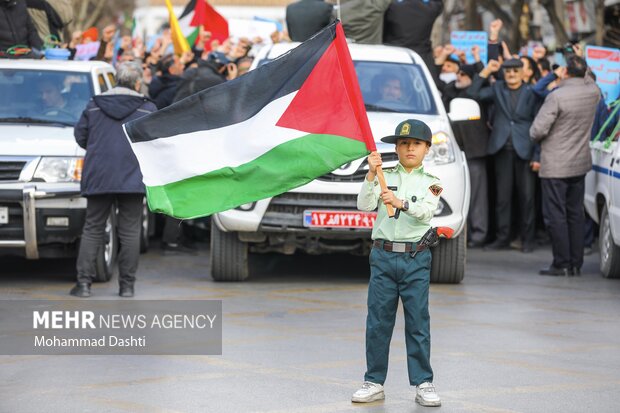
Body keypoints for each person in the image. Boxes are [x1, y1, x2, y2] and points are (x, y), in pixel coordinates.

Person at [353, 119, 442, 407]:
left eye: (416, 143)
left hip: (415, 257)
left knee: (418, 322)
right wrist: (370, 174)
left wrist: (401, 202)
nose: (409, 148)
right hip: (383, 255)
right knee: (378, 321)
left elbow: (426, 213)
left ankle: (423, 382)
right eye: (403, 144)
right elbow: (364, 205)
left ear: (427, 148)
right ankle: (374, 380)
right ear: (396, 148)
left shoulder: (432, 183)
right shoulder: (383, 174)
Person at [69, 62, 157, 298]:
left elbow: (81, 137)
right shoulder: (147, 109)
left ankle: (84, 285)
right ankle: (127, 287)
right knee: (130, 231)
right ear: (138, 83)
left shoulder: (94, 105)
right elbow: (154, 143)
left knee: (93, 228)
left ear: (116, 80)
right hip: (133, 177)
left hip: (99, 175)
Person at [530, 55, 600, 276]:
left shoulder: (557, 96)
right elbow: (588, 79)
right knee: (575, 214)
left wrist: (560, 76)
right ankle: (575, 263)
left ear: (566, 72)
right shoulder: (593, 92)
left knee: (556, 215)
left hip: (556, 164)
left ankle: (561, 262)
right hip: (579, 163)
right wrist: (579, 65)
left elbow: (536, 131)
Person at [468, 58, 542, 253]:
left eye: (515, 71)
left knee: (527, 198)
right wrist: (485, 72)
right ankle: (502, 238)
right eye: (508, 71)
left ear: (523, 73)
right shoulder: (498, 88)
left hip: (525, 150)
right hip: (501, 149)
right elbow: (472, 94)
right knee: (502, 198)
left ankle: (528, 240)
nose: (511, 74)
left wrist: (537, 154)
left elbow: (539, 124)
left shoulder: (532, 92)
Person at [383, 0, 443, 85]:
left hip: (391, 60)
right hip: (420, 61)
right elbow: (439, 3)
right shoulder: (430, 9)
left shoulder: (392, 7)